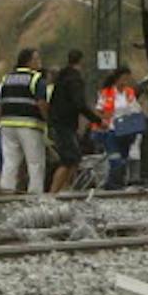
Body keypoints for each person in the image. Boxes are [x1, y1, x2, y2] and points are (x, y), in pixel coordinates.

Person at [45, 49, 104, 193]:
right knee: (69, 159)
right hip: (65, 124)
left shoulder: (61, 78)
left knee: (73, 157)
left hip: (58, 122)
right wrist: (97, 120)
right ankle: (55, 192)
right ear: (81, 61)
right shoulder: (75, 79)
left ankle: (63, 189)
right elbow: (79, 104)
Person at [0, 48, 49, 193]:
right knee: (35, 163)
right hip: (29, 125)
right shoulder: (36, 79)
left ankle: (6, 192)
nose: (39, 62)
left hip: (7, 125)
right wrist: (48, 120)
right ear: (29, 61)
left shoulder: (7, 78)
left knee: (10, 162)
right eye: (37, 59)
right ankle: (34, 195)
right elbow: (42, 103)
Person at [100, 68, 146, 189]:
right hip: (112, 129)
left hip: (126, 130)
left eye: (128, 78)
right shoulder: (107, 92)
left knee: (124, 157)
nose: (126, 81)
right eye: (124, 78)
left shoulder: (129, 92)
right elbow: (101, 109)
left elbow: (135, 108)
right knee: (115, 158)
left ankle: (118, 182)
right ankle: (112, 183)